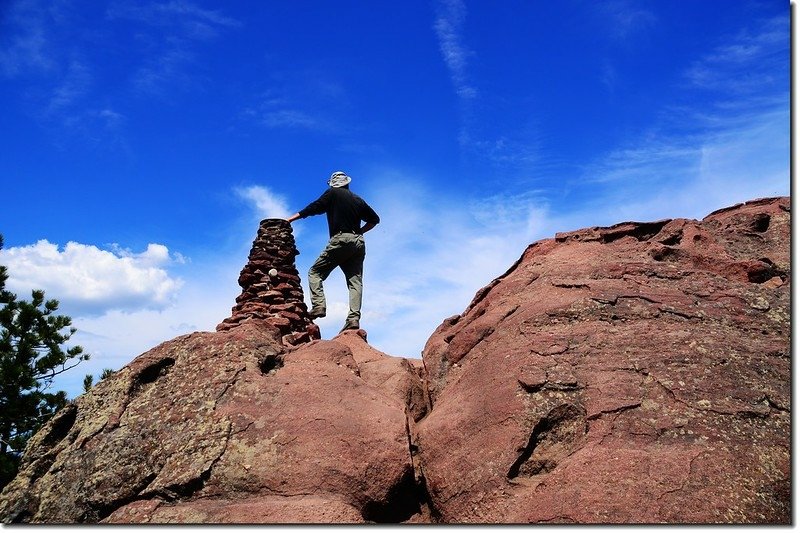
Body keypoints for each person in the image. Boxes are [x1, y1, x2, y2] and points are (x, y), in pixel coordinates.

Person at [287, 171, 380, 332]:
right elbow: (375, 220)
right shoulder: (357, 199)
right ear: (347, 183)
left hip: (341, 240)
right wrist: (360, 232)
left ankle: (319, 306)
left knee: (315, 273)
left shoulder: (332, 193)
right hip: (358, 243)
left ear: (333, 184)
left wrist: (290, 219)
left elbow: (314, 207)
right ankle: (353, 319)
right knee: (355, 282)